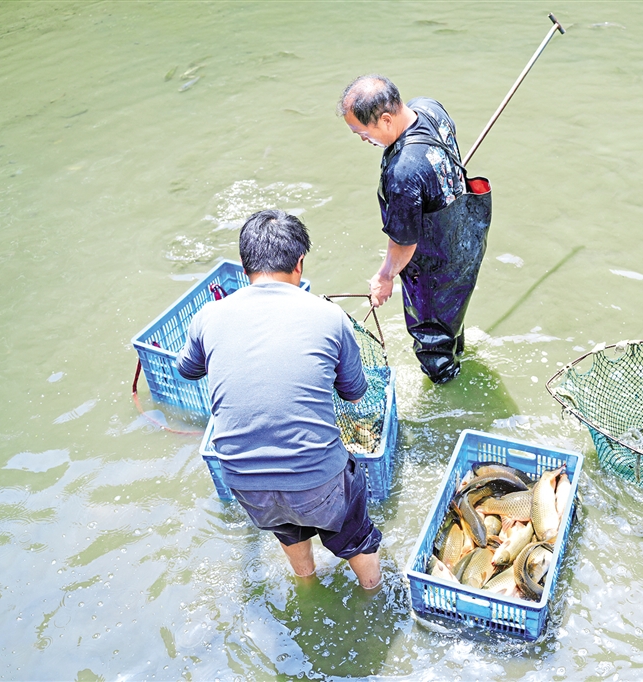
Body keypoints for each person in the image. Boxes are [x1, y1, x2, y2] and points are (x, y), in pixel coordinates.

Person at [176, 210, 382, 588]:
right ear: (299, 262)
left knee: (286, 526)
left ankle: (307, 583)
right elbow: (355, 393)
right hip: (319, 480)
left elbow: (187, 370)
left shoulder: (208, 316)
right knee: (355, 535)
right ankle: (373, 591)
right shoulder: (329, 316)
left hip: (244, 480)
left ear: (245, 267)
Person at [338, 74, 492, 384]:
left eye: (362, 132)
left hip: (437, 264)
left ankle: (446, 383)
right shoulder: (428, 107)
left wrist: (385, 277)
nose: (362, 139)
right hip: (468, 236)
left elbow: (404, 242)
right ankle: (456, 350)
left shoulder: (403, 173)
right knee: (452, 314)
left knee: (432, 334)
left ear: (385, 119)